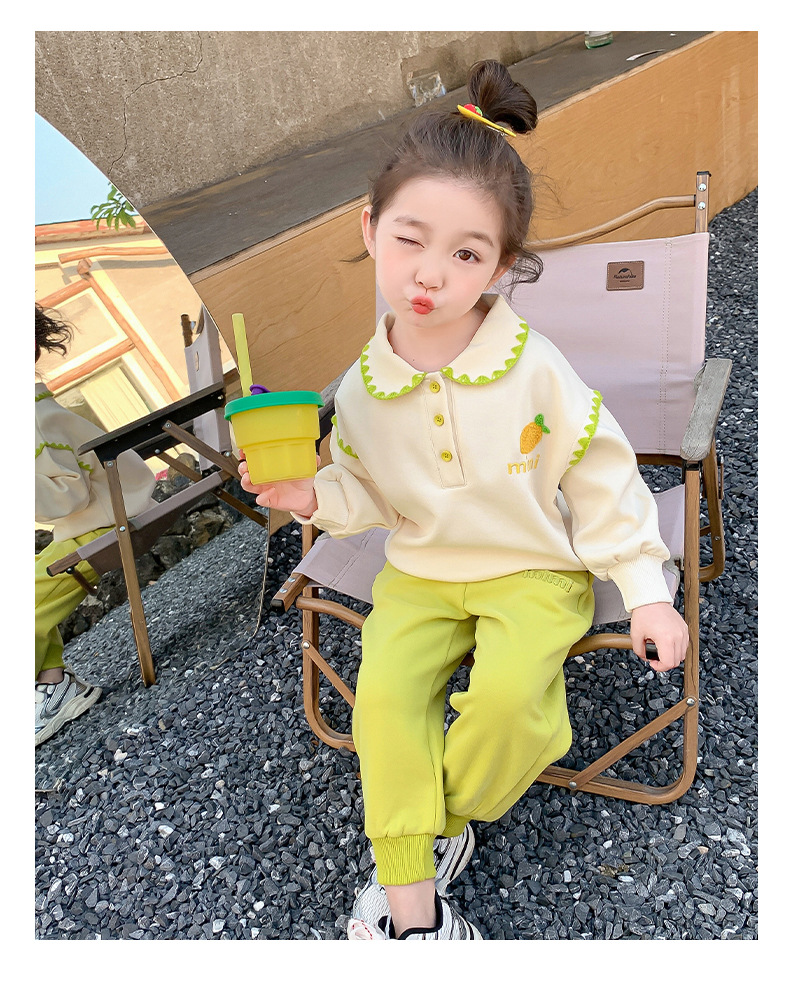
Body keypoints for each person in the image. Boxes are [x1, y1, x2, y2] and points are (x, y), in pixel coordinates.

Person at [239, 60, 689, 940]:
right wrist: (310, 494)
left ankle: (431, 825)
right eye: (409, 240)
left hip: (534, 571)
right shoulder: (361, 388)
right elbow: (365, 491)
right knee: (384, 701)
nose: (429, 275)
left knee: (514, 705)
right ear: (369, 229)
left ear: (501, 266)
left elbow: (601, 473)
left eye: (466, 254)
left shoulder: (533, 368)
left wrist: (645, 590)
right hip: (420, 573)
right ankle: (415, 920)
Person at [35, 304, 156, 747]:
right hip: (104, 519)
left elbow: (69, 494)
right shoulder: (36, 411)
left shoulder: (30, 419)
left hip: (106, 523)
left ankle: (50, 688)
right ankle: (52, 684)